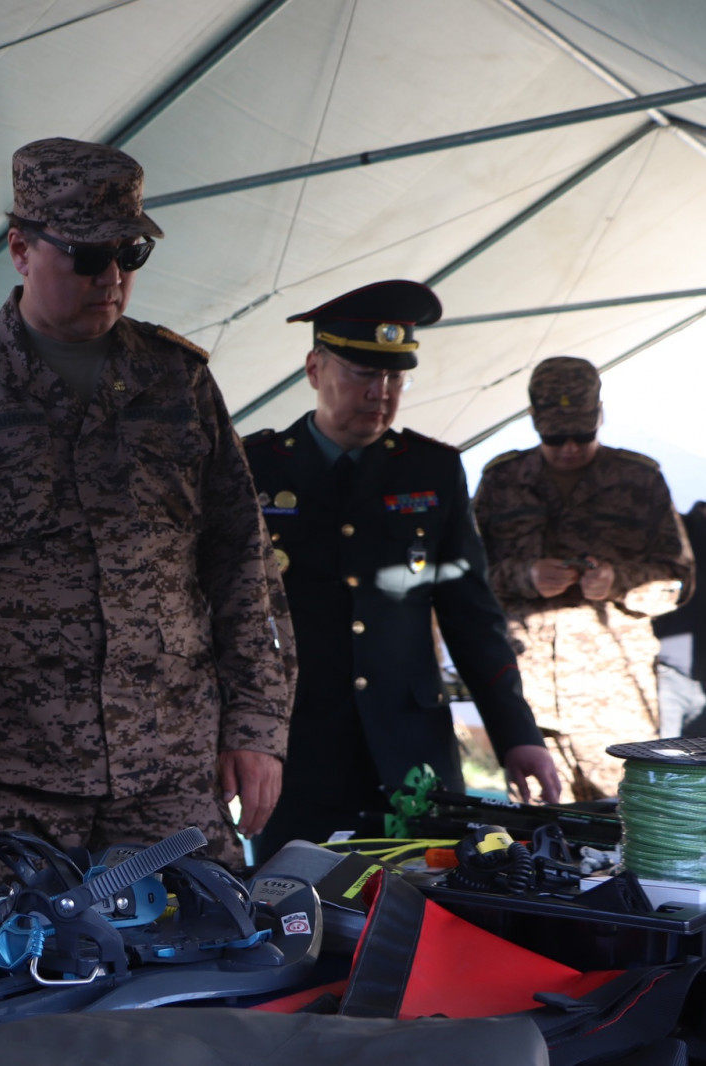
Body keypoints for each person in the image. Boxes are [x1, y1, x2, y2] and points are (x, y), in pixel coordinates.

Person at [0, 137, 293, 871]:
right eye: (87, 257)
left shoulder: (176, 381)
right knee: (8, 972)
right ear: (20, 249)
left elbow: (242, 565)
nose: (112, 277)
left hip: (169, 777)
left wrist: (256, 723)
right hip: (7, 780)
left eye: (129, 256)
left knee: (206, 970)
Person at [246, 280, 560, 860]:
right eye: (364, 374)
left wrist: (518, 735)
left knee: (427, 915)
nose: (380, 393)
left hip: (412, 752)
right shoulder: (256, 465)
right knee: (294, 914)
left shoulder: (431, 469)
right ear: (315, 368)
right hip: (298, 748)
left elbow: (472, 617)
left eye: (395, 378)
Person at [473, 356, 694, 800]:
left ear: (600, 416)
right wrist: (525, 575)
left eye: (583, 434)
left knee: (621, 835)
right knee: (535, 841)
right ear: (534, 420)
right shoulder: (502, 481)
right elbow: (466, 579)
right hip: (528, 699)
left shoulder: (639, 479)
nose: (570, 448)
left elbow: (679, 580)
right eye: (556, 438)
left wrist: (618, 581)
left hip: (614, 703)